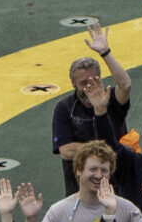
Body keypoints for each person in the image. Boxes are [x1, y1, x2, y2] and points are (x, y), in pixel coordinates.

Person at [52, 21, 134, 195]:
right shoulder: (64, 108)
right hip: (79, 193)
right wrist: (112, 150)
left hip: (117, 189)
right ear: (73, 83)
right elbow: (66, 151)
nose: (89, 87)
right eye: (83, 83)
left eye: (94, 80)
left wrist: (106, 53)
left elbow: (125, 85)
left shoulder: (111, 99)